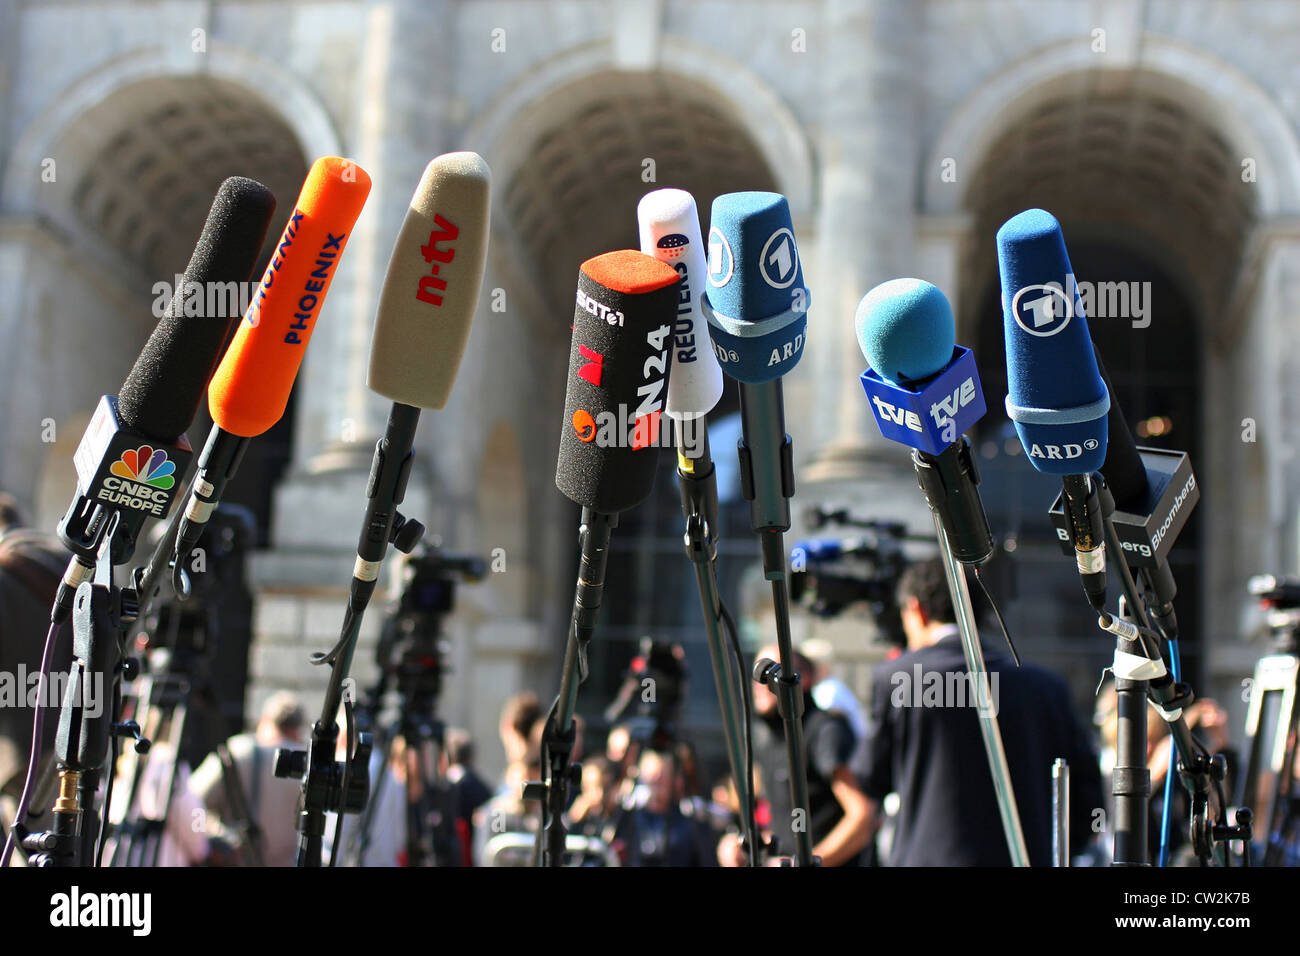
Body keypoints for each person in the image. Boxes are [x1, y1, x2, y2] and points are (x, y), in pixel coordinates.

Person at [862, 557, 1103, 865]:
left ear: (916, 610)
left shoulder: (899, 679)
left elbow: (869, 780)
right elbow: (1086, 795)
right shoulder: (1047, 688)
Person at [721, 645, 873, 866]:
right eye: (756, 674)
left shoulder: (824, 730)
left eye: (768, 675)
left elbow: (862, 816)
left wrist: (807, 862)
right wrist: (738, 844)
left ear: (803, 679)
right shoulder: (765, 735)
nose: (759, 686)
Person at [188, 690, 307, 866]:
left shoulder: (238, 752)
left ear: (264, 721)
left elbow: (190, 801)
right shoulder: (307, 766)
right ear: (297, 729)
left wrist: (215, 835)